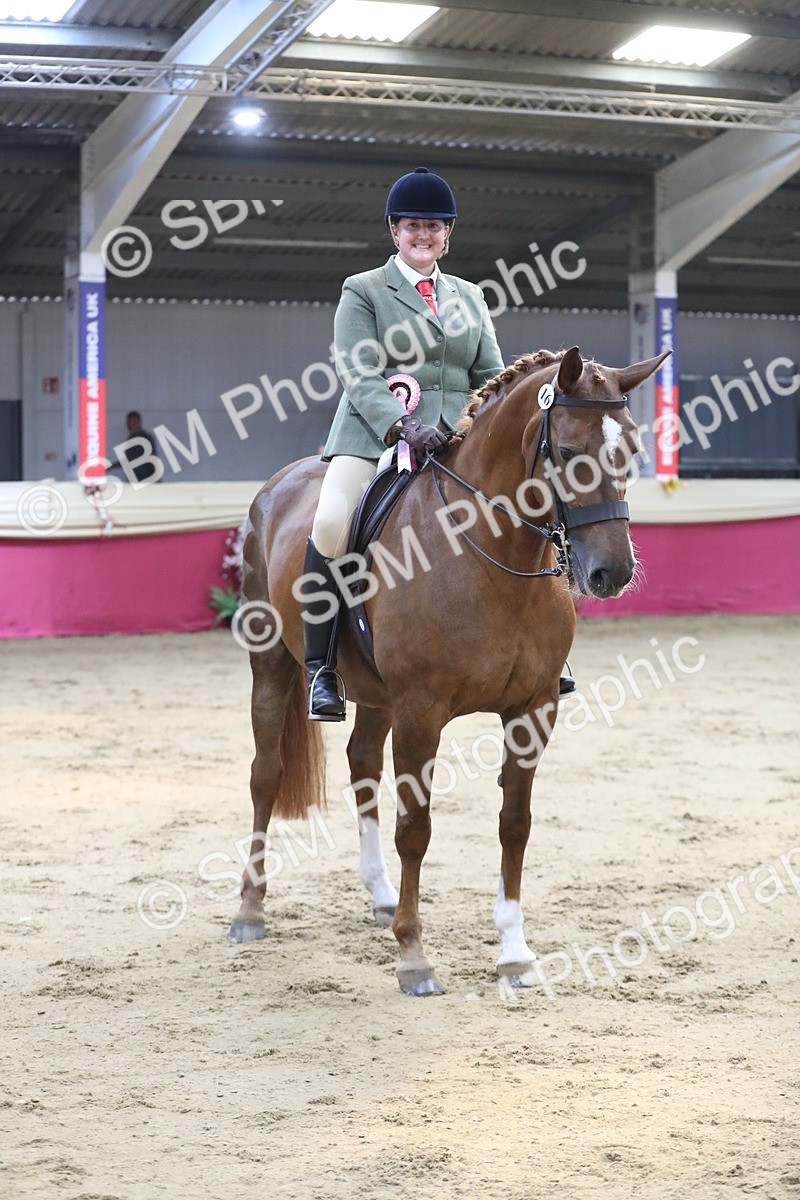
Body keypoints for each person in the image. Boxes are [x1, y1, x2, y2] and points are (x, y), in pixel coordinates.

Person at [303, 166, 574, 721]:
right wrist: (400, 427)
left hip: (459, 439)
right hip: (374, 434)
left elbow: (496, 375)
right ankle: (322, 667)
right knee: (331, 522)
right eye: (411, 226)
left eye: (433, 225)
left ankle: (547, 652)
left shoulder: (470, 297)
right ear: (394, 232)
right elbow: (359, 373)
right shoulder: (365, 290)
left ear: (447, 233)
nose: (422, 235)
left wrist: (484, 426)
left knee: (533, 506)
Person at [108, 411, 160, 483]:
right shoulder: (130, 439)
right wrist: (110, 467)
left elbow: (153, 458)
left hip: (146, 480)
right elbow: (127, 460)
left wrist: (157, 479)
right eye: (130, 423)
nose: (132, 425)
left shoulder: (146, 438)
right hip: (134, 481)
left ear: (140, 422)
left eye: (134, 422)